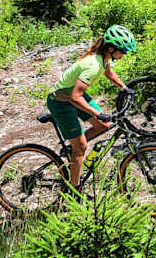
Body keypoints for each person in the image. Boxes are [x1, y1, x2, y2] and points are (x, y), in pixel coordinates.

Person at [46, 24, 136, 191]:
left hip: (73, 96)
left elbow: (109, 73)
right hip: (61, 101)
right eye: (122, 51)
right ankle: (74, 189)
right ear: (110, 48)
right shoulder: (93, 66)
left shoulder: (103, 59)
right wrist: (98, 113)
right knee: (81, 147)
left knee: (104, 125)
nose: (124, 55)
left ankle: (72, 148)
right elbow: (75, 97)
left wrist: (124, 87)